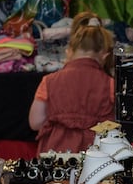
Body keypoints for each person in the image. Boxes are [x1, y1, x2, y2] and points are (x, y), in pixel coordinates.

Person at [29, 11, 116, 153]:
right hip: (96, 157)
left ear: (69, 51)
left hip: (56, 155)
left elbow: (35, 122)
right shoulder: (110, 84)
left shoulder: (49, 81)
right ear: (105, 55)